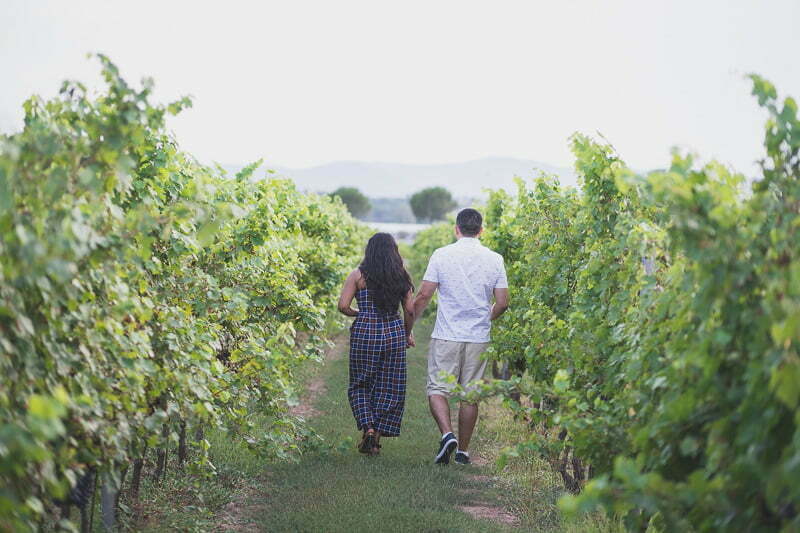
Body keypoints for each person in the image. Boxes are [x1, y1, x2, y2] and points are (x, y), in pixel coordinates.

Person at [413, 208, 509, 465]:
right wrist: (484, 319)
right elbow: (502, 303)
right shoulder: (495, 259)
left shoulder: (441, 255)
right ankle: (463, 452)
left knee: (437, 388)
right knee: (470, 395)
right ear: (481, 231)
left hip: (447, 334)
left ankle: (447, 435)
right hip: (478, 337)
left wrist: (408, 323)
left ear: (456, 229)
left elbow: (424, 295)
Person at [338, 233, 415, 456]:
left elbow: (343, 305)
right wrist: (406, 334)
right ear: (394, 251)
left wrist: (360, 313)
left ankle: (368, 427)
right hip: (392, 332)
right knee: (389, 385)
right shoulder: (401, 277)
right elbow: (409, 310)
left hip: (365, 332)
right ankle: (377, 434)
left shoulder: (358, 275)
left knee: (361, 383)